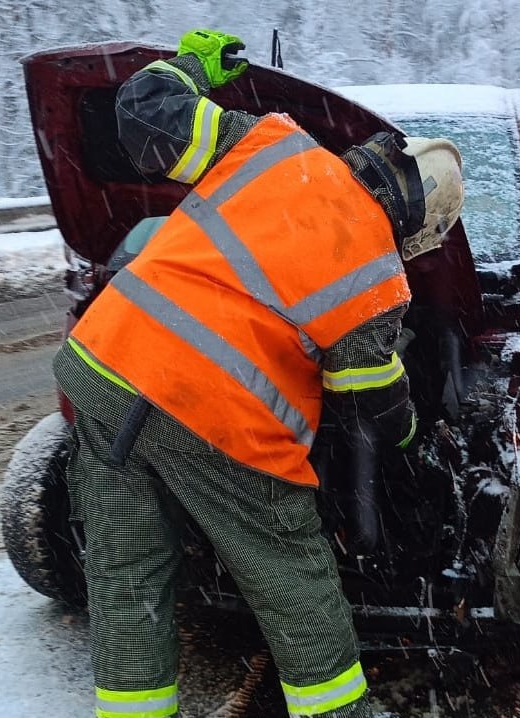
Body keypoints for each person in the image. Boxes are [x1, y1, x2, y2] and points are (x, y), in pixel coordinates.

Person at [52, 28, 464, 718]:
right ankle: (338, 710)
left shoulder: (270, 142)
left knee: (127, 577)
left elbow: (144, 113)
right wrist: (413, 434)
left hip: (104, 372)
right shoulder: (379, 277)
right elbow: (368, 408)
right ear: (415, 224)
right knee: (291, 570)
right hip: (214, 417)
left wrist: (193, 65)